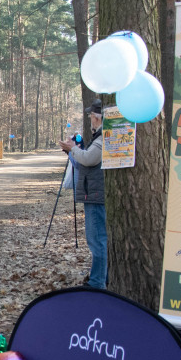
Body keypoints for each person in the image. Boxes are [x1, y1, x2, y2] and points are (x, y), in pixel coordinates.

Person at [60, 100, 107, 289]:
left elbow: (88, 159)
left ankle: (98, 282)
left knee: (97, 239)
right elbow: (84, 161)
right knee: (97, 238)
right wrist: (71, 152)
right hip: (93, 191)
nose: (90, 119)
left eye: (91, 116)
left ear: (97, 118)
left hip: (95, 193)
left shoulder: (103, 137)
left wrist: (73, 149)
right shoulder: (100, 136)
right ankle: (99, 276)